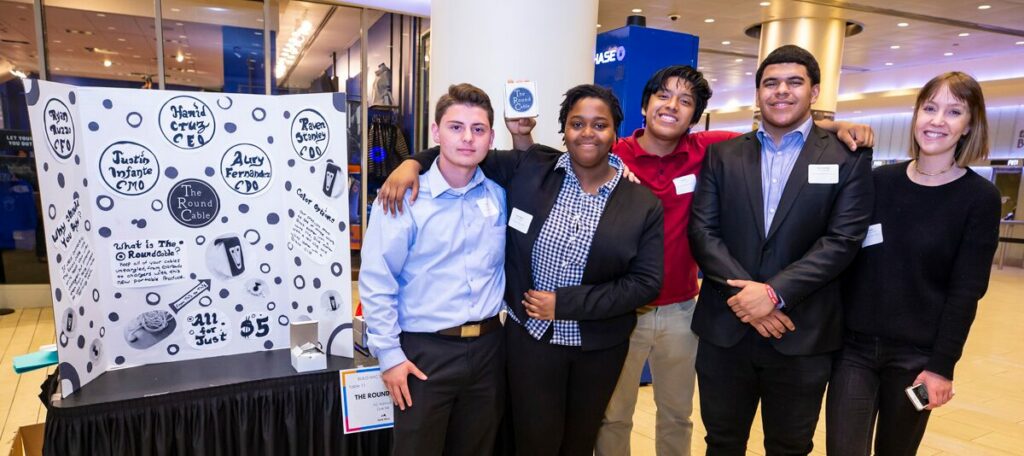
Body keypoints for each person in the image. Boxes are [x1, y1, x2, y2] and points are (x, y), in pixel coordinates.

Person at [497, 66, 873, 456]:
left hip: (680, 309)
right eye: (662, 95)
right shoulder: (612, 152)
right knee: (613, 416)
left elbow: (780, 129)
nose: (671, 106)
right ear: (644, 106)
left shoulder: (712, 151)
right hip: (617, 311)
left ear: (694, 118)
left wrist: (836, 125)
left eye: (685, 101)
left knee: (677, 414)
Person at [382, 84, 665, 455]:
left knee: (579, 442)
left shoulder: (640, 201)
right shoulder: (533, 169)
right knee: (531, 440)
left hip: (598, 347)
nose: (588, 133)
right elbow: (464, 148)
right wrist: (410, 163)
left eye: (600, 125)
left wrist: (564, 304)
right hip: (530, 344)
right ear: (563, 130)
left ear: (616, 133)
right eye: (577, 123)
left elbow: (645, 284)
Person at [687, 44, 874, 455]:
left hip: (801, 332)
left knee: (790, 446)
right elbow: (703, 231)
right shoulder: (723, 154)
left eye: (794, 82)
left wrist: (771, 295)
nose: (781, 91)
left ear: (815, 92)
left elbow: (843, 240)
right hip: (726, 331)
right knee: (721, 442)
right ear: (758, 94)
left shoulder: (847, 156)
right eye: (770, 83)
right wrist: (746, 297)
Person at [825, 72, 1001, 456]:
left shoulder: (979, 198)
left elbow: (966, 291)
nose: (937, 120)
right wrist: (839, 125)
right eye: (930, 108)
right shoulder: (880, 181)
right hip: (853, 349)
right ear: (916, 114)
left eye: (953, 112)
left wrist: (942, 367)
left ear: (970, 125)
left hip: (917, 359)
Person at [358, 83, 507, 456]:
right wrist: (389, 356)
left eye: (478, 129)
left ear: (491, 137)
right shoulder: (403, 197)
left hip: (489, 349)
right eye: (456, 127)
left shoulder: (500, 195)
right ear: (436, 132)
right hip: (424, 353)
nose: (468, 139)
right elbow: (377, 280)